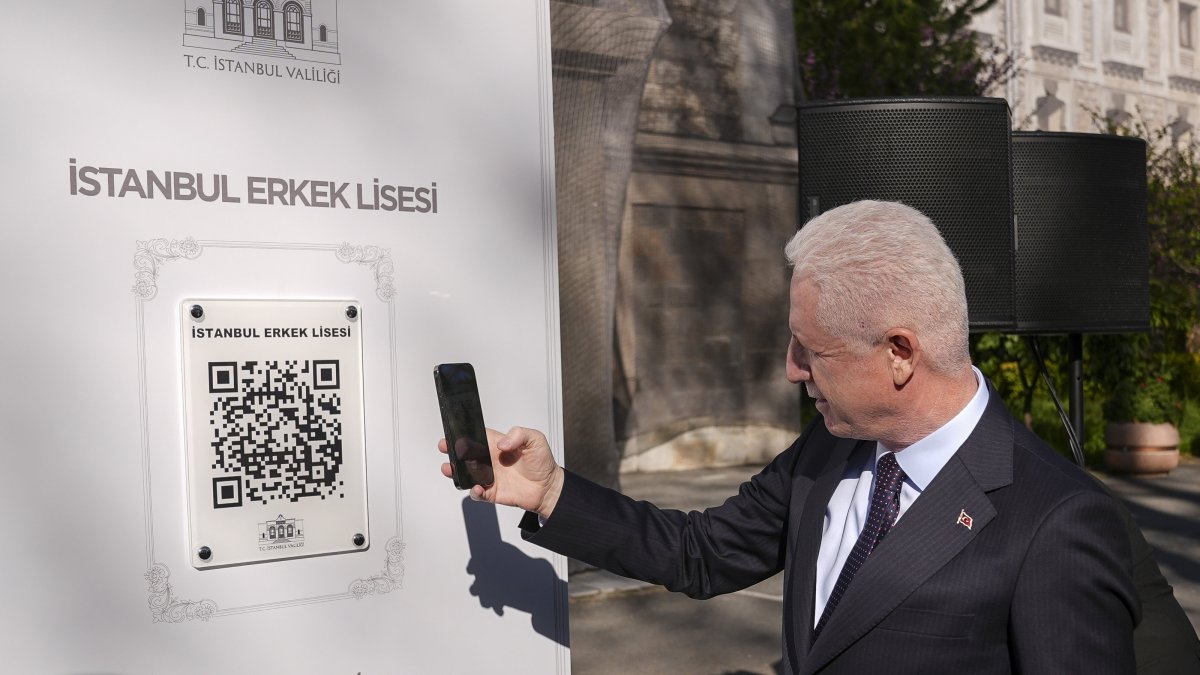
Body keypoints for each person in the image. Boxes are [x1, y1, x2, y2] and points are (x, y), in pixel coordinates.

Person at [439, 200, 1161, 673]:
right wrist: (550, 489)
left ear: (900, 353)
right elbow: (701, 552)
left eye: (810, 351)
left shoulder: (1058, 521)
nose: (791, 371)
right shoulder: (830, 449)